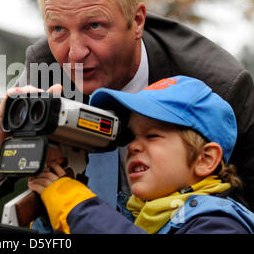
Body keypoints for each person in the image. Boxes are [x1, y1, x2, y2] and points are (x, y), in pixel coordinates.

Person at [0, 0, 254, 227]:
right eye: (57, 29)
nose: (74, 53)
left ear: (137, 21)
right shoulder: (47, 68)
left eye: (94, 25)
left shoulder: (220, 86)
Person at [29, 76, 254, 233]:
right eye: (132, 137)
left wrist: (77, 210)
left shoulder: (220, 224)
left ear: (205, 159)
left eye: (152, 136)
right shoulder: (138, 218)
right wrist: (50, 218)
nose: (133, 147)